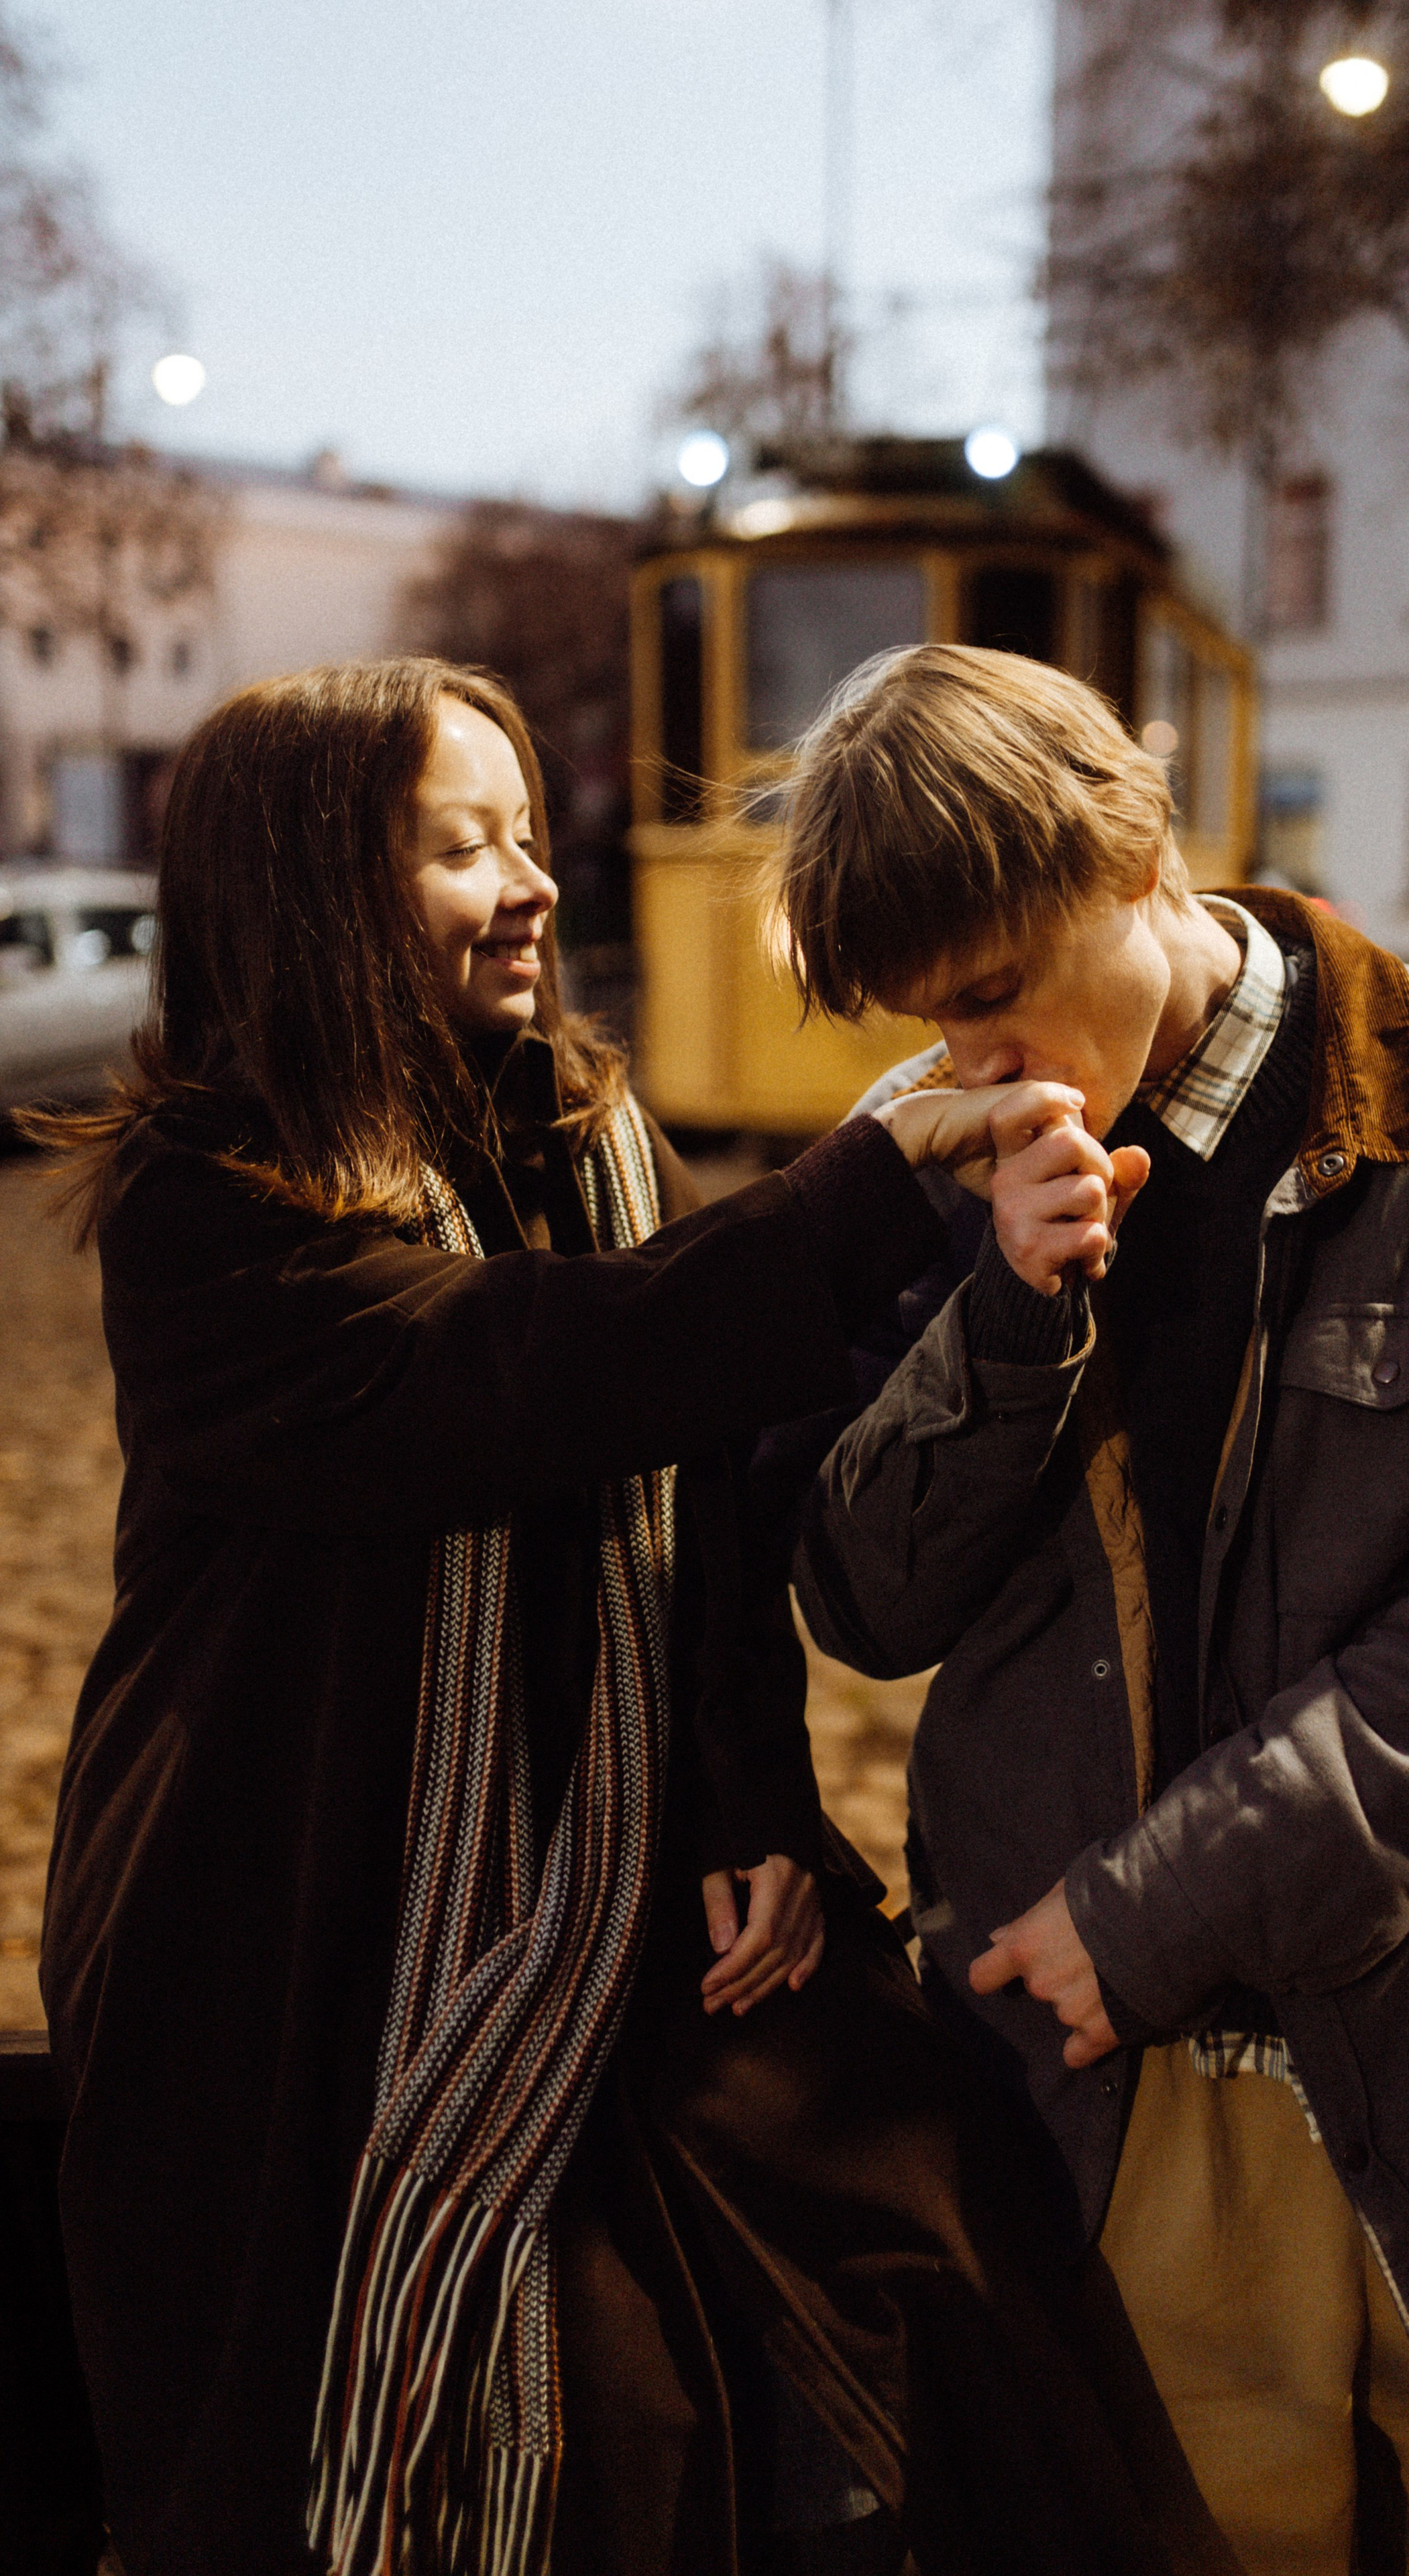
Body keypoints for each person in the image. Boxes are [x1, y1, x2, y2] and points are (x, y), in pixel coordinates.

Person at [35, 659, 1210, 2576]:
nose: (533, 884)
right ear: (313, 887)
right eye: (458, 848)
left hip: (606, 1883)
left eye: (523, 832)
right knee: (448, 2424)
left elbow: (721, 1490)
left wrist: (752, 1805)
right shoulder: (206, 1208)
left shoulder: (586, 1132)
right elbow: (516, 1374)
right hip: (297, 1937)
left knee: (946, 2234)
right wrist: (851, 1198)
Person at [779, 642, 1409, 2573]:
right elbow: (861, 1596)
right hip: (1124, 2108)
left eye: (993, 997)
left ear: (1135, 859)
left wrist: (1148, 1912)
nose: (970, 1064)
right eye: (922, 1020)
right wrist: (1010, 1323)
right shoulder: (922, 1160)